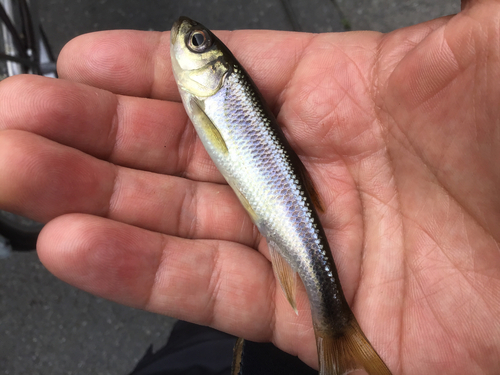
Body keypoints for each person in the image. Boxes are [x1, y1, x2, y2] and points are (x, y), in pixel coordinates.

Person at [0, 0, 498, 373]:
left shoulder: (211, 93)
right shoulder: (209, 92)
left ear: (215, 69)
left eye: (196, 45)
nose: (184, 40)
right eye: (198, 42)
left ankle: (335, 325)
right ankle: (332, 330)